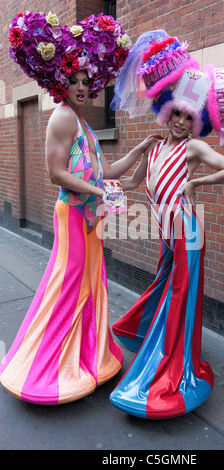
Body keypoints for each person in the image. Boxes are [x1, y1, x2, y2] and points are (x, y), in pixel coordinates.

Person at [108, 30, 224, 419]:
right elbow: (135, 182)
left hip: (187, 233)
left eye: (187, 118)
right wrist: (100, 186)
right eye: (175, 114)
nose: (179, 121)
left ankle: (174, 364)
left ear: (196, 122)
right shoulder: (156, 145)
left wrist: (196, 182)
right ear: (167, 112)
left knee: (179, 295)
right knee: (165, 288)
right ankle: (157, 342)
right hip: (166, 234)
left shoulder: (193, 148)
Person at [0, 12, 161, 405]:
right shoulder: (61, 118)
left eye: (86, 82)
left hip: (90, 216)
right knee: (69, 284)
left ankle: (85, 355)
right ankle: (46, 364)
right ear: (60, 82)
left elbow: (105, 171)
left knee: (91, 285)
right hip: (72, 215)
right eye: (73, 81)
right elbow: (55, 174)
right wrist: (98, 191)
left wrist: (137, 152)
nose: (81, 87)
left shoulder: (83, 124)